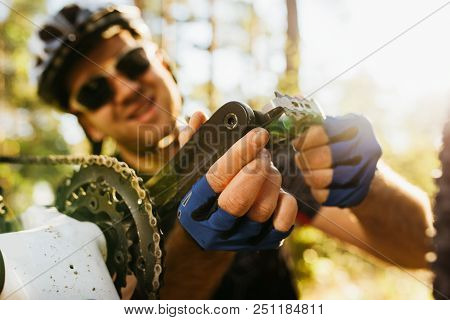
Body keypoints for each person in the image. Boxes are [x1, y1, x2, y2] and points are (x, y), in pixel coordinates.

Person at [32, 3, 433, 299]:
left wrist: (367, 185)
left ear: (165, 63)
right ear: (86, 122)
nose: (124, 89)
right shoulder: (72, 219)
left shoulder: (258, 150)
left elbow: (423, 251)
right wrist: (199, 250)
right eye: (94, 90)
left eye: (133, 63)